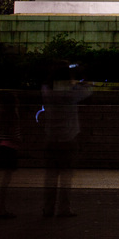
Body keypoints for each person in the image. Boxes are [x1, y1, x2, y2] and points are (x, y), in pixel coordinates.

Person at [41, 61, 92, 217]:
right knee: (66, 175)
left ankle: (48, 207)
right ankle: (64, 208)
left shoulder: (47, 91)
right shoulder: (71, 93)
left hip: (51, 138)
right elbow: (88, 89)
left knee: (50, 176)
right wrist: (79, 77)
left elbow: (45, 85)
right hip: (68, 138)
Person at [0, 92, 22, 218]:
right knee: (5, 181)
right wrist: (19, 141)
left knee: (3, 180)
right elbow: (13, 133)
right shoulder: (13, 115)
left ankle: (1, 208)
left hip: (2, 146)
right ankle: (1, 209)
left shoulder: (3, 115)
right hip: (10, 148)